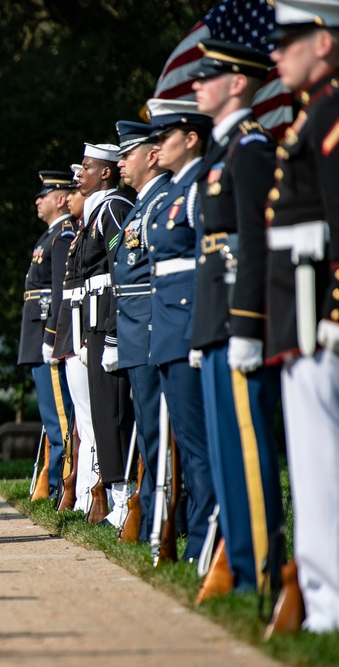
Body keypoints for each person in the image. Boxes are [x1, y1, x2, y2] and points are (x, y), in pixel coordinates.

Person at [189, 39, 284, 596]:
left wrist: (247, 323)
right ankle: (241, 565)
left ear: (239, 84)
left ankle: (264, 569)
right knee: (226, 452)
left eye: (210, 76)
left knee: (247, 451)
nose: (197, 84)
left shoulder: (249, 149)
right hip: (216, 323)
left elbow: (254, 243)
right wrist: (206, 328)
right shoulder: (221, 152)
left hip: (238, 324)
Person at [265, 0, 339, 632]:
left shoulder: (331, 114)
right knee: (311, 467)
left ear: (323, 41)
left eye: (288, 43)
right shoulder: (311, 116)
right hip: (299, 316)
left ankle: (329, 602)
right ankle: (320, 598)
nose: (276, 55)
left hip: (322, 315)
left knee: (322, 465)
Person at [145, 98, 217, 561]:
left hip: (188, 326)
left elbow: (209, 263)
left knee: (198, 443)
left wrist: (200, 330)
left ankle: (208, 541)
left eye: (163, 138)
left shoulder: (199, 187)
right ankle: (199, 534)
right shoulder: (171, 190)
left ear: (190, 138)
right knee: (186, 446)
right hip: (167, 329)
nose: (156, 149)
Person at [112, 120, 169, 541]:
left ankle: (161, 517)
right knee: (149, 430)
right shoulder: (140, 204)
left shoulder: (160, 200)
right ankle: (152, 514)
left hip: (149, 329)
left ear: (151, 156)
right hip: (135, 331)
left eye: (127, 154)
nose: (120, 163)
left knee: (157, 431)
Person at [75, 142, 134, 525]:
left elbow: (120, 273)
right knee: (101, 412)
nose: (80, 173)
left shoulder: (113, 208)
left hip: (107, 322)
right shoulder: (96, 211)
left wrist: (112, 334)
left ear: (107, 172)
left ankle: (125, 497)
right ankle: (116, 495)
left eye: (87, 166)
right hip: (95, 323)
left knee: (113, 411)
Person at [20, 171, 75, 495]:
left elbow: (58, 292)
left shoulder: (63, 235)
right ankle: (54, 481)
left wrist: (51, 336)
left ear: (60, 198)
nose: (38, 200)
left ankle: (61, 484)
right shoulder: (51, 235)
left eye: (45, 194)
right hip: (37, 330)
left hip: (46, 332)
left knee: (59, 419)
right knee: (51, 416)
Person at [49, 167, 99, 513]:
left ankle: (90, 491)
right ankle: (81, 492)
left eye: (74, 193)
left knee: (89, 420)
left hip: (84, 334)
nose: (69, 199)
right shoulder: (77, 231)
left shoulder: (78, 229)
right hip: (73, 334)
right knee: (82, 420)